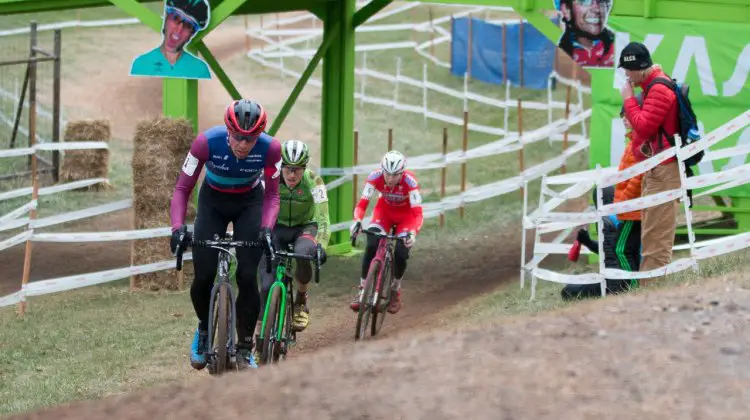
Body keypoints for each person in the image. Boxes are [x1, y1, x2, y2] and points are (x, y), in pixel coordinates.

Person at [169, 99, 282, 370]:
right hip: (213, 203)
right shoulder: (205, 143)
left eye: (251, 139)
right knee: (203, 277)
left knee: (246, 275)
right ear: (227, 131)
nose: (244, 145)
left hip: (249, 203)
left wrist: (267, 228)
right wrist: (177, 228)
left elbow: (273, 195)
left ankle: (244, 346)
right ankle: (205, 330)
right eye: (238, 138)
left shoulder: (271, 149)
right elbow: (182, 189)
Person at [563, 104, 645, 300]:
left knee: (622, 250)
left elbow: (622, 252)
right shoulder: (608, 223)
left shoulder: (622, 222)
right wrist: (586, 241)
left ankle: (632, 285)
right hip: (608, 279)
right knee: (570, 289)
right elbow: (606, 251)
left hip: (615, 283)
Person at [619, 41, 681, 286]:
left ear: (638, 68)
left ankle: (652, 291)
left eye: (627, 69)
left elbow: (644, 126)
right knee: (651, 232)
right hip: (656, 167)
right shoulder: (651, 86)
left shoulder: (659, 89)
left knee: (657, 237)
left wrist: (628, 100)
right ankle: (650, 287)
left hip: (665, 169)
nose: (625, 75)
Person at [257, 140, 330, 335]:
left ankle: (301, 299)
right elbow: (256, 208)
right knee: (265, 283)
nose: (291, 174)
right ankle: (260, 325)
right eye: (287, 168)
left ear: (304, 168)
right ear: (281, 166)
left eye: (297, 170)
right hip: (276, 227)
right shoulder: (269, 178)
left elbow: (323, 218)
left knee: (304, 252)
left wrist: (322, 245)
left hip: (304, 227)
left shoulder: (314, 181)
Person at [349, 150, 423, 314]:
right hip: (384, 212)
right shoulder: (375, 177)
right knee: (371, 245)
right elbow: (362, 205)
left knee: (401, 254)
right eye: (387, 174)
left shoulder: (410, 182)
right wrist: (357, 221)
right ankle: (362, 289)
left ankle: (395, 289)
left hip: (406, 217)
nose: (389, 178)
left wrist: (412, 232)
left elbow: (418, 214)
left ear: (402, 173)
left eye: (395, 175)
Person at [130, 0, 212, 79]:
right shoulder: (141, 64)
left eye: (188, 25)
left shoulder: (200, 70)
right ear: (166, 18)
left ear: (192, 34)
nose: (179, 30)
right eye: (175, 18)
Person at [554, 0, 615, 68]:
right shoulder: (553, 53)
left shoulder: (619, 43)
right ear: (566, 9)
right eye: (584, 1)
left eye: (603, 1)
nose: (597, 9)